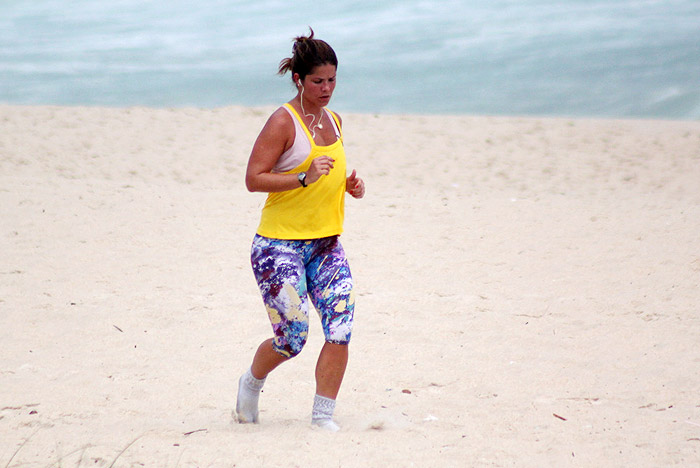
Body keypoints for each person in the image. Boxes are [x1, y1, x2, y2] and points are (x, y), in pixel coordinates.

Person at [236, 28, 365, 432]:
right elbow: (254, 178)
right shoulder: (283, 121)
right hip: (278, 246)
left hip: (326, 243)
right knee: (292, 338)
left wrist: (349, 185)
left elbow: (329, 172)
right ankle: (252, 382)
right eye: (317, 81)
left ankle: (322, 416)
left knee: (341, 328)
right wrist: (304, 179)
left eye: (332, 80)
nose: (326, 89)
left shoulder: (336, 121)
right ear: (298, 80)